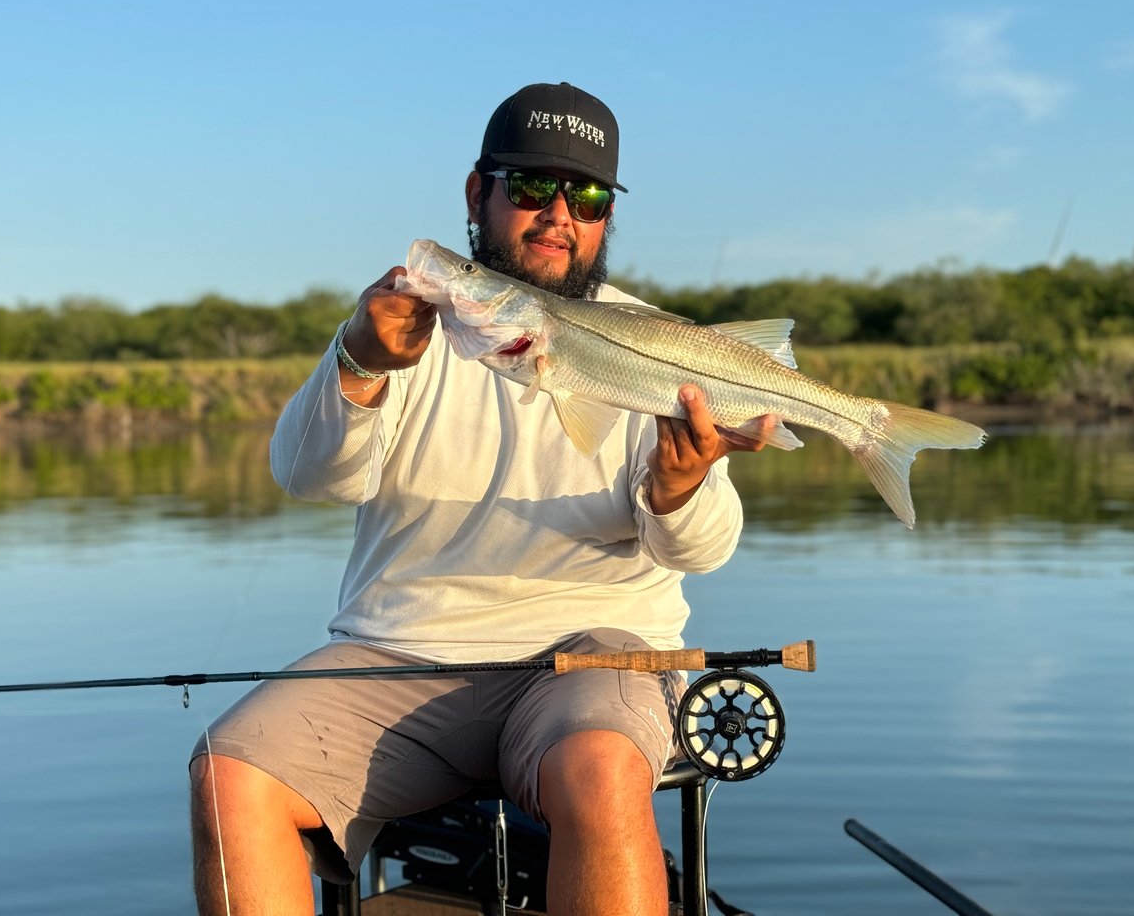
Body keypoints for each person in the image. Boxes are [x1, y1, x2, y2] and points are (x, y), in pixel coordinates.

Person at [189, 81, 768, 916]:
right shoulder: (399, 326)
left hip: (595, 650)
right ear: (478, 194)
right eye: (530, 187)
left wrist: (678, 490)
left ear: (607, 216)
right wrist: (358, 363)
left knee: (602, 772)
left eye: (588, 196)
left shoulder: (657, 345)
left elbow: (702, 551)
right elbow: (309, 475)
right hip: (398, 652)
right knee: (227, 772)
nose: (558, 214)